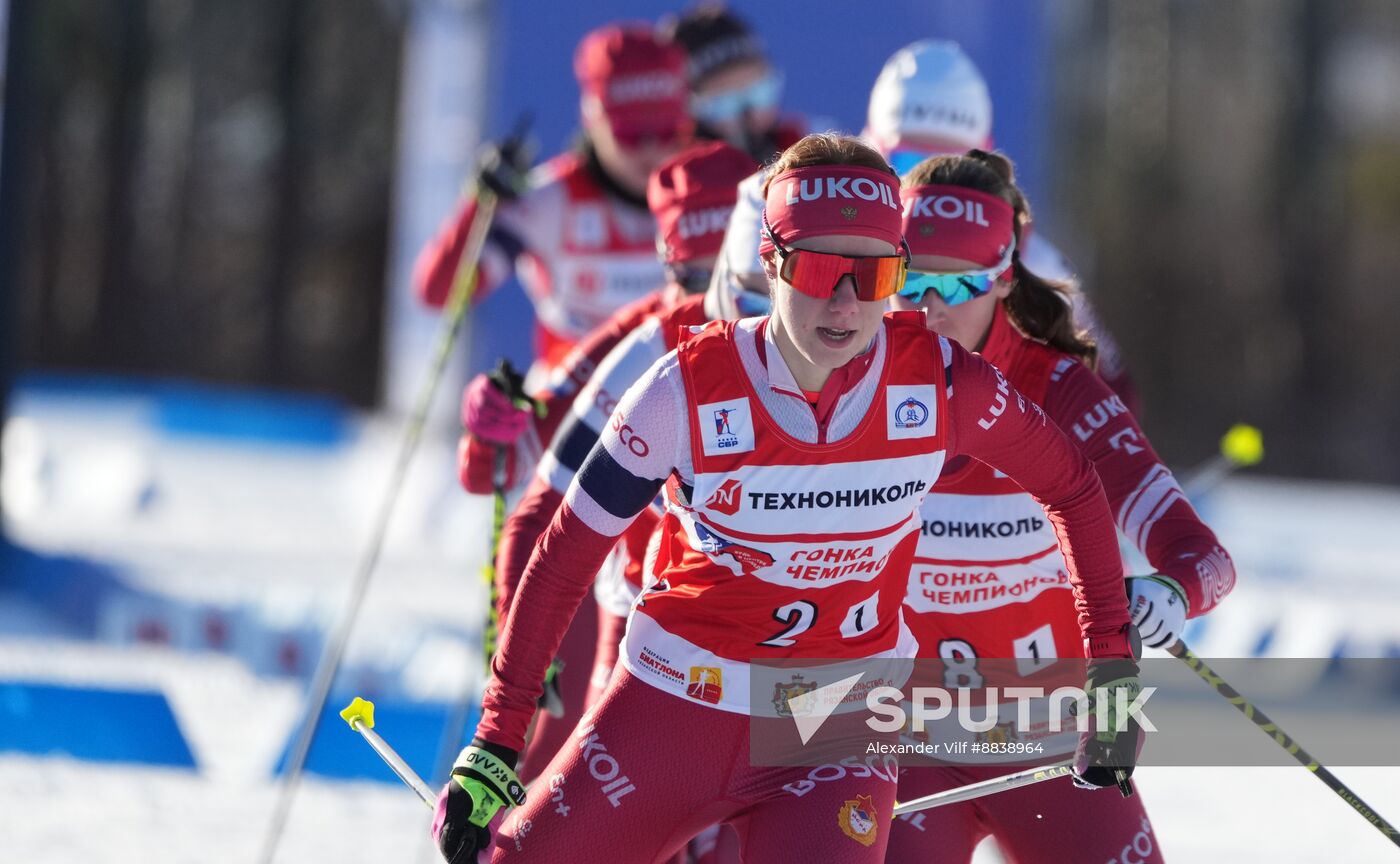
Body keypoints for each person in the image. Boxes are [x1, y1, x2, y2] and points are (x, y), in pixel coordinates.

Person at [432, 133, 1140, 864]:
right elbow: (563, 553)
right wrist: (497, 737)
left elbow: (1074, 488)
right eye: (820, 269)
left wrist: (1111, 671)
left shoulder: (945, 384)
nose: (844, 302)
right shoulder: (682, 390)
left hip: (833, 728)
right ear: (770, 263)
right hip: (672, 710)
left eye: (872, 275)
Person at [884, 151, 1237, 863]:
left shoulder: (1063, 393)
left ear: (1004, 276)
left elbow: (1205, 556)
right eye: (910, 278)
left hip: (1051, 731)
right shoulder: (852, 387)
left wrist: (1172, 592)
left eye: (959, 282)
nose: (932, 306)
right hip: (899, 733)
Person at [465, 140, 758, 784]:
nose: (721, 309)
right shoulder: (648, 340)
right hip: (646, 632)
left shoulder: (839, 337)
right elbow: (516, 486)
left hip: (785, 652)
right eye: (692, 276)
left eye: (741, 281)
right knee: (557, 795)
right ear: (665, 264)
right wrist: (489, 426)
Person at [864, 39, 1141, 415]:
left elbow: (1115, 399)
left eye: (953, 161)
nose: (930, 182)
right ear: (874, 152)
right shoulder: (829, 241)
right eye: (911, 159)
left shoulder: (1033, 262)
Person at [414, 23, 693, 379]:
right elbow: (439, 292)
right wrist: (477, 207)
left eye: (669, 129)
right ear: (592, 117)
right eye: (631, 133)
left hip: (677, 409)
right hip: (570, 413)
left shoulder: (707, 193)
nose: (653, 148)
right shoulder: (552, 202)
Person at [660, 3, 803, 162]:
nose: (750, 115)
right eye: (724, 102)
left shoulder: (815, 151)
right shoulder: (671, 176)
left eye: (759, 92)